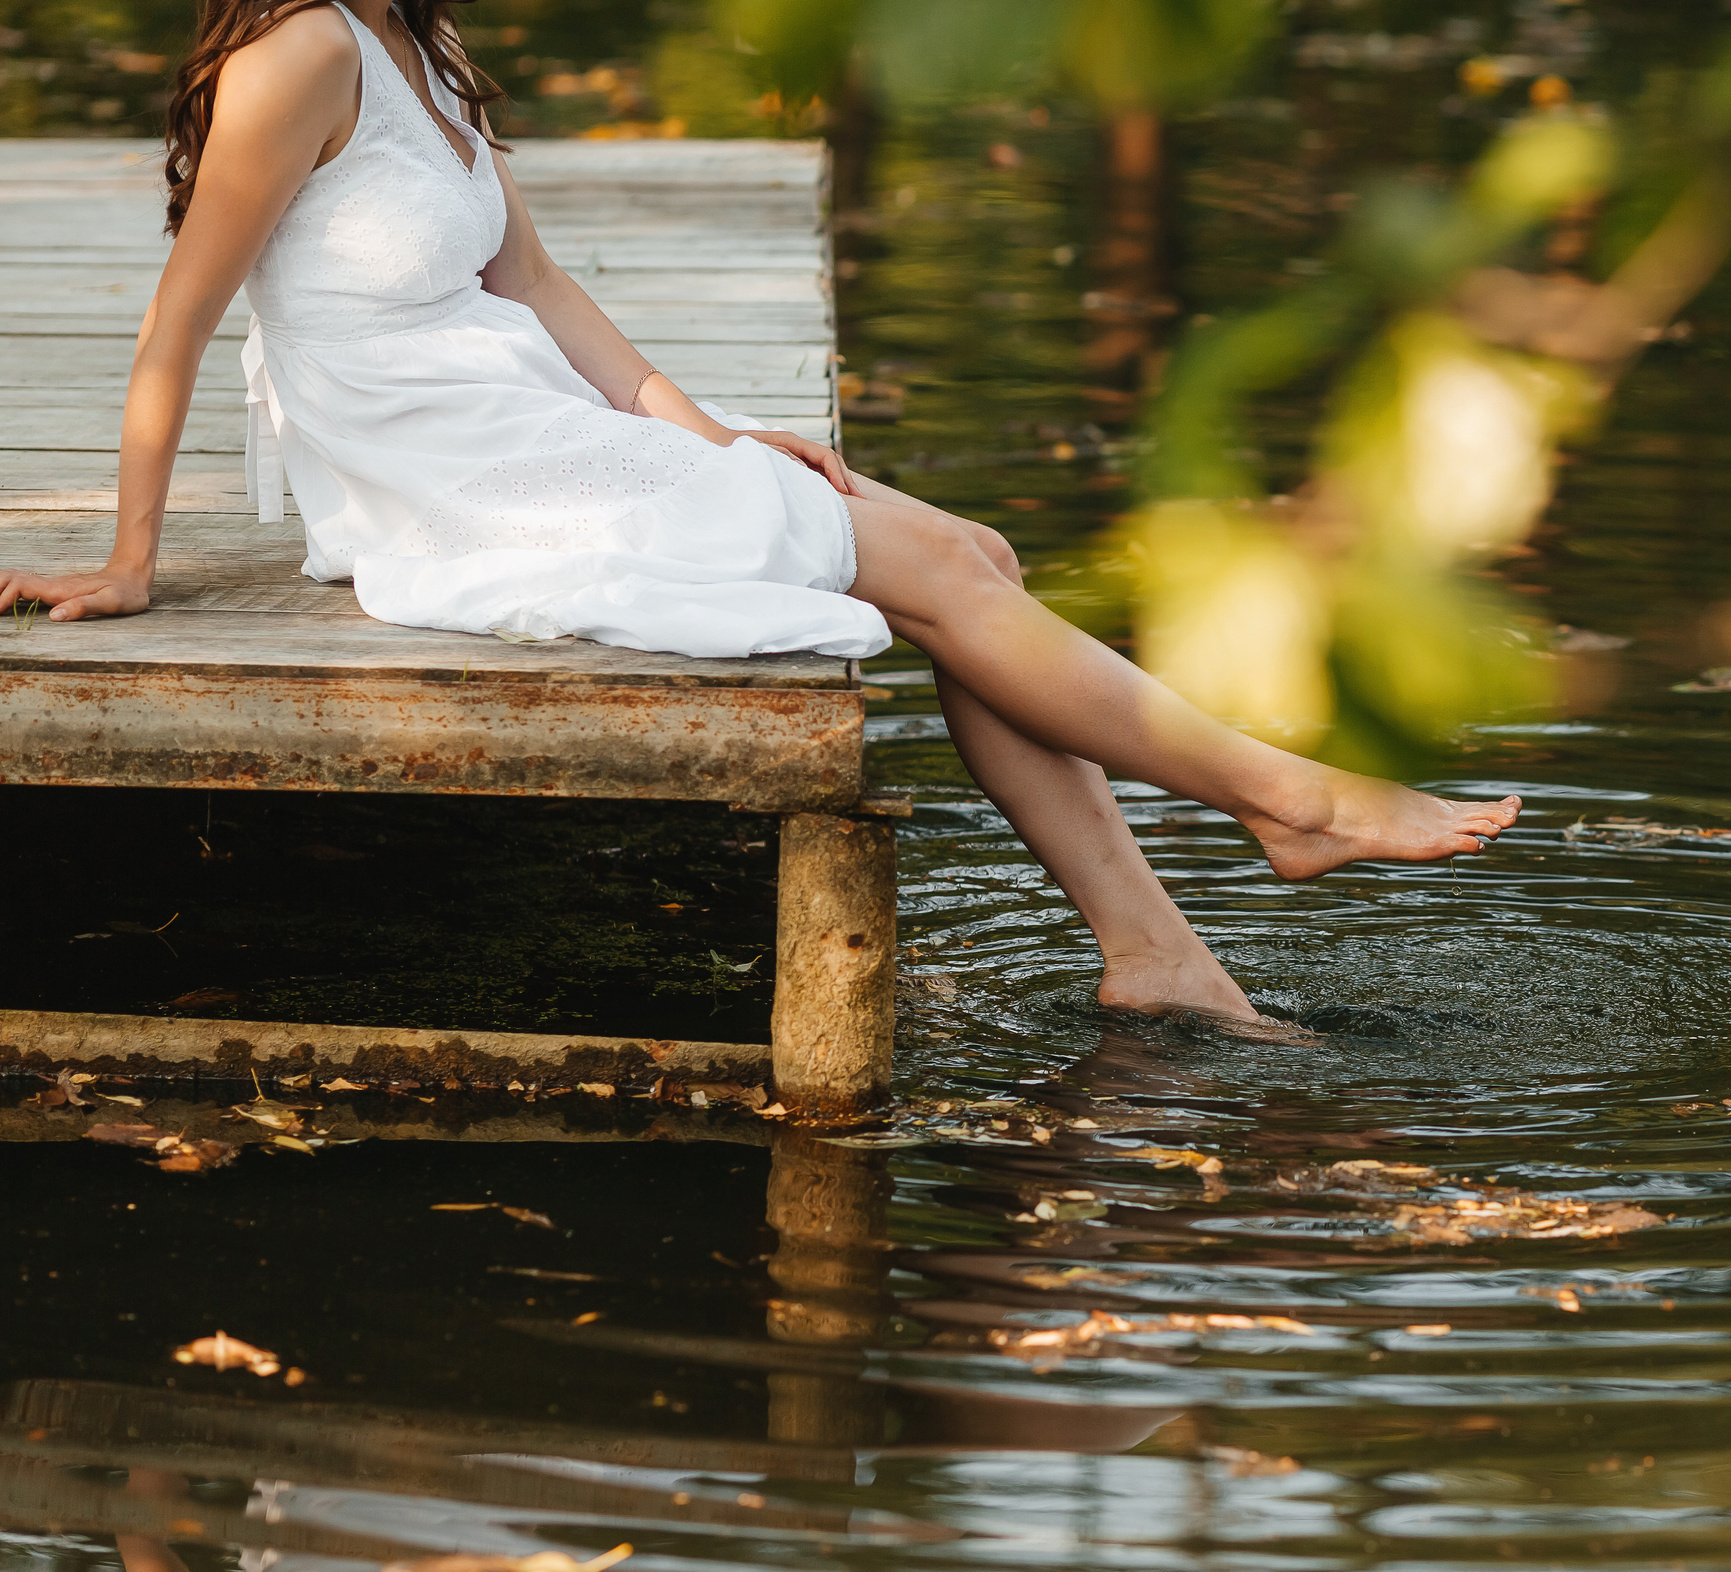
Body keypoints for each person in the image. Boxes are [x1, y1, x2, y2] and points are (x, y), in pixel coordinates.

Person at [0, 0, 1519, 1035]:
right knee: (939, 567)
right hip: (459, 479)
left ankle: (1158, 957)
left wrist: (722, 444)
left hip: (531, 425)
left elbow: (537, 288)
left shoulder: (415, 36)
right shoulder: (301, 51)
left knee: (969, 555)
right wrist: (133, 563)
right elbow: (177, 321)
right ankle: (1289, 802)